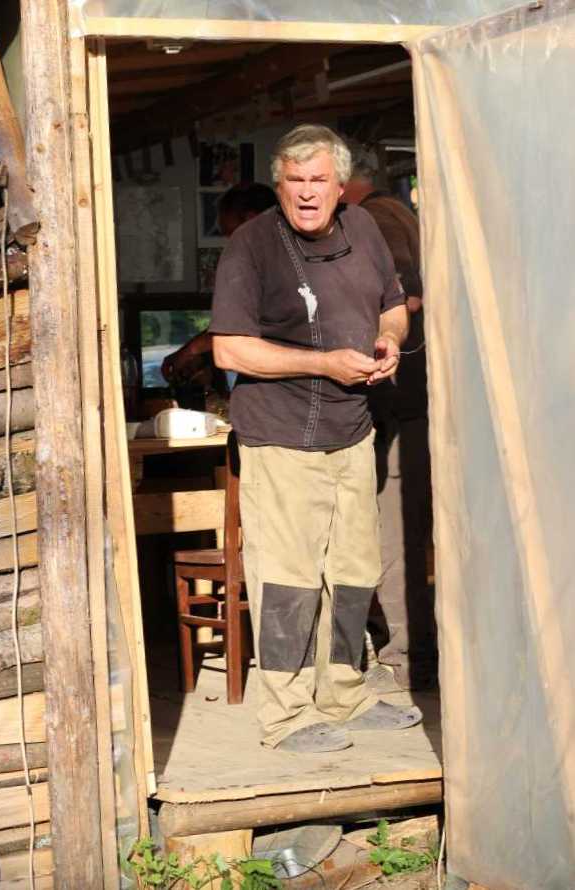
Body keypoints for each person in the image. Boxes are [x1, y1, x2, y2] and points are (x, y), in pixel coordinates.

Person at [210, 124, 422, 753]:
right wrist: (323, 363)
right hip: (279, 435)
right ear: (279, 185)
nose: (307, 192)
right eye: (295, 180)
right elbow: (229, 349)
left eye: (319, 180)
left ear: (340, 186)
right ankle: (287, 716)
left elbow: (393, 305)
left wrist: (388, 340)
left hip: (351, 430)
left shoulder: (364, 228)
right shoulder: (250, 246)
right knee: (288, 580)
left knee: (354, 571)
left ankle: (345, 694)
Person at [343, 163, 436, 691]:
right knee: (404, 535)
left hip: (399, 401)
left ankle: (406, 661)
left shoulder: (374, 218)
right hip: (413, 401)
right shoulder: (399, 212)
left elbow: (407, 294)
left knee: (395, 538)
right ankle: (408, 653)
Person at [161, 183, 277, 388]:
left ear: (252, 220)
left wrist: (190, 351)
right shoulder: (258, 260)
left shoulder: (278, 264)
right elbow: (234, 322)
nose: (229, 242)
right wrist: (194, 351)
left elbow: (242, 330)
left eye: (231, 233)